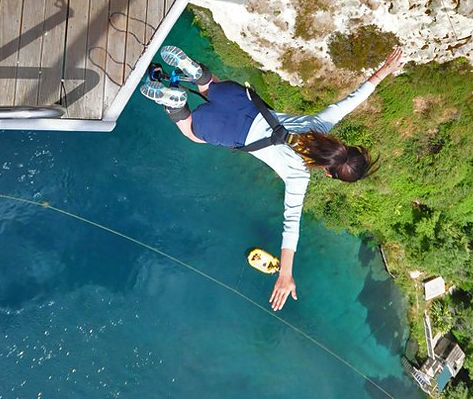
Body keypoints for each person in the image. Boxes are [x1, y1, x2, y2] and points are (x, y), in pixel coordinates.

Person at [141, 45, 404, 311]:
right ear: (327, 171)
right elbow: (291, 227)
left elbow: (352, 100)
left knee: (211, 85)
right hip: (230, 130)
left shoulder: (320, 124)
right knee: (192, 134)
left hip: (243, 102)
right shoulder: (298, 176)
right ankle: (175, 104)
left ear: (343, 146)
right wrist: (284, 274)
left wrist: (384, 71)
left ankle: (195, 72)